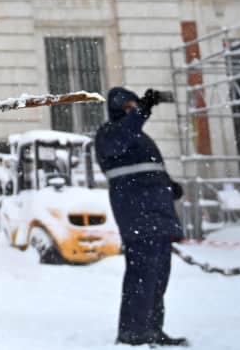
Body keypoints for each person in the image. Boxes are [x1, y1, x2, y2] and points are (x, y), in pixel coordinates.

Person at [95, 87, 187, 347]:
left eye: (136, 106)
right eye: (130, 107)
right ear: (118, 109)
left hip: (158, 214)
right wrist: (143, 110)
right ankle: (132, 331)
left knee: (158, 277)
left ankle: (152, 329)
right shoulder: (109, 134)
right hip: (137, 215)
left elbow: (148, 169)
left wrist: (169, 186)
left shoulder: (139, 137)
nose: (135, 111)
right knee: (141, 277)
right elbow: (124, 137)